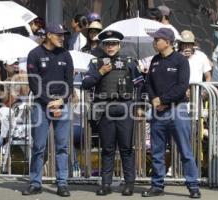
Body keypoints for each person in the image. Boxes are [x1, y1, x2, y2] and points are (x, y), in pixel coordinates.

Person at [82, 30, 144, 196]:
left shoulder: (129, 62)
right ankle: (106, 183)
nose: (110, 47)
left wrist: (139, 106)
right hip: (104, 109)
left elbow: (140, 84)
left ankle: (129, 183)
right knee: (108, 149)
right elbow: (86, 83)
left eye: (113, 43)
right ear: (103, 45)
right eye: (107, 44)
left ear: (119, 45)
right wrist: (100, 72)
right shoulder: (96, 63)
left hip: (125, 107)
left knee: (126, 148)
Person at [141, 28, 201, 198]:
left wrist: (162, 100)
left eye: (157, 40)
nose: (154, 42)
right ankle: (157, 185)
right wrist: (154, 100)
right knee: (157, 151)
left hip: (177, 110)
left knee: (185, 150)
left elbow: (182, 87)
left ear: (167, 42)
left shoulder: (181, 60)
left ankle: (193, 186)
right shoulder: (155, 60)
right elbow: (148, 84)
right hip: (158, 111)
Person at [22, 23, 73, 197]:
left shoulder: (66, 54)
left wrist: (61, 101)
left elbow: (69, 83)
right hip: (41, 104)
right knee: (38, 146)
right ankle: (35, 182)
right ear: (49, 35)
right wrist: (50, 102)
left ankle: (62, 183)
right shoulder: (34, 54)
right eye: (58, 35)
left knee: (62, 146)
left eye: (63, 35)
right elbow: (34, 83)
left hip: (62, 103)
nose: (62, 38)